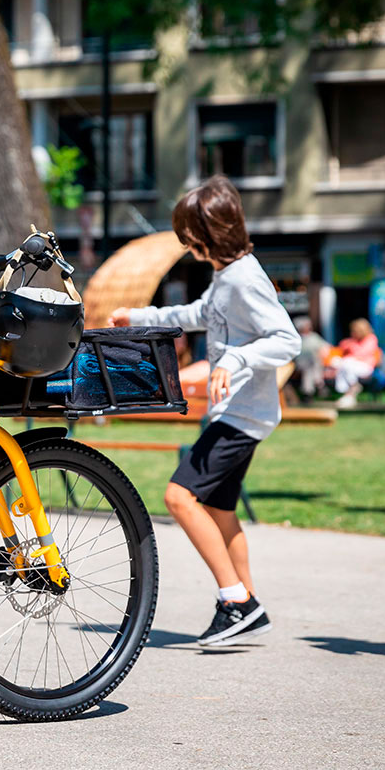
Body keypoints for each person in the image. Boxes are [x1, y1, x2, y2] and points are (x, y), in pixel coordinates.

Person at [108, 176, 300, 647]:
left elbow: (286, 340)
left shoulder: (245, 278)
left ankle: (236, 601)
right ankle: (248, 603)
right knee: (219, 508)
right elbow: (198, 316)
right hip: (237, 414)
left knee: (179, 497)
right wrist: (140, 317)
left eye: (187, 233)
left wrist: (235, 359)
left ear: (206, 233)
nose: (183, 242)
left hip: (240, 415)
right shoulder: (228, 276)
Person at [329, 317, 379, 408]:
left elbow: (361, 353)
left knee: (346, 364)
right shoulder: (354, 340)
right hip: (352, 366)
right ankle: (350, 392)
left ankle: (352, 389)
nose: (352, 333)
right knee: (343, 364)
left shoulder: (371, 339)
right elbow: (342, 344)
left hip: (366, 366)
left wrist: (351, 348)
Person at [293, 316, 330, 400]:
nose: (309, 327)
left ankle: (308, 392)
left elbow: (326, 347)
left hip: (315, 363)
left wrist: (322, 353)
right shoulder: (296, 338)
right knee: (310, 363)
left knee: (311, 364)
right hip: (300, 364)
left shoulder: (314, 336)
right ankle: (319, 383)